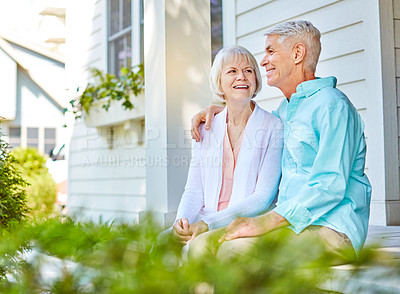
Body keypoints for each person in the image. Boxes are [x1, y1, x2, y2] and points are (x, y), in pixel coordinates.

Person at [190, 20, 371, 261]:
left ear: (297, 54)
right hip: (289, 226)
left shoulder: (333, 106)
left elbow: (329, 185)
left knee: (232, 251)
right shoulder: (286, 110)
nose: (263, 61)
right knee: (202, 245)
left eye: (270, 51)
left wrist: (264, 222)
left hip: (331, 229)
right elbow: (252, 120)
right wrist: (220, 108)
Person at [170, 45, 283, 245]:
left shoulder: (273, 127)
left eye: (248, 71)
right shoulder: (205, 128)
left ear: (256, 80)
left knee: (196, 251)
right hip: (203, 221)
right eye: (232, 71)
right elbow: (194, 191)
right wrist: (181, 224)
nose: (242, 77)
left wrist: (208, 223)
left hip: (244, 225)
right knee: (160, 246)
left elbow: (263, 197)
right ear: (219, 83)